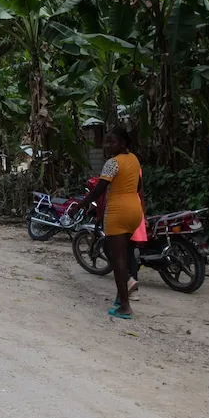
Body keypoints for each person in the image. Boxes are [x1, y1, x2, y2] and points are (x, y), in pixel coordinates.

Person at [69, 127, 144, 318]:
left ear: (123, 143)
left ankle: (125, 306)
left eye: (112, 142)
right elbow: (139, 187)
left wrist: (80, 205)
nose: (108, 145)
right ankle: (121, 296)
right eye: (106, 142)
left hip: (118, 212)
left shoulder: (112, 163)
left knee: (116, 258)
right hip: (135, 210)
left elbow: (98, 190)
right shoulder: (134, 159)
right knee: (121, 253)